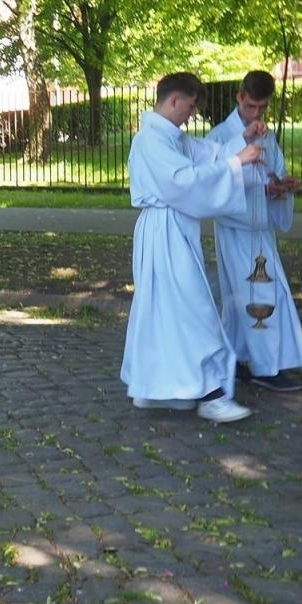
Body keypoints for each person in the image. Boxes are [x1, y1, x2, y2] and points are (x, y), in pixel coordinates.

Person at [121, 72, 263, 424]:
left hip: (172, 231)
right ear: (173, 100)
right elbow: (183, 181)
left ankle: (158, 388)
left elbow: (203, 154)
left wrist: (238, 143)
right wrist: (237, 162)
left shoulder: (168, 136)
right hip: (165, 232)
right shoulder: (151, 140)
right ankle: (211, 395)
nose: (191, 114)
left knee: (166, 311)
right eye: (189, 106)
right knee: (193, 307)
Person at [208, 71, 302, 392]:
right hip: (236, 228)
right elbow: (213, 183)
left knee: (245, 296)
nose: (256, 115)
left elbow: (273, 172)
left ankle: (238, 357)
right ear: (240, 97)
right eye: (251, 106)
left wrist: (281, 186)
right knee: (260, 293)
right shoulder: (220, 136)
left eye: (262, 108)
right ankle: (266, 368)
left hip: (260, 228)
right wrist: (260, 189)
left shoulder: (266, 135)